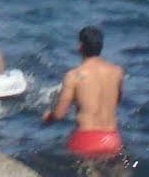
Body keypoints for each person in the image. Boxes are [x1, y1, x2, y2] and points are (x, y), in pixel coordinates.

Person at [42, 26, 125, 158]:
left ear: (80, 47)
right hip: (112, 139)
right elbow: (117, 100)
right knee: (116, 174)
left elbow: (59, 115)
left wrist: (48, 117)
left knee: (86, 175)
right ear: (101, 47)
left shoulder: (74, 75)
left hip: (86, 140)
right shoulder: (117, 72)